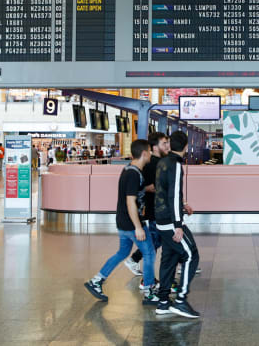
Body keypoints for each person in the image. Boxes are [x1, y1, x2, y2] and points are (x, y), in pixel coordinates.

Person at [84, 139, 158, 305]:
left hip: (123, 222)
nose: (151, 155)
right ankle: (149, 292)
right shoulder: (133, 173)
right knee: (149, 253)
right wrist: (138, 227)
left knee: (123, 253)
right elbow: (130, 201)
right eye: (150, 152)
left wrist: (146, 188)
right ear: (145, 153)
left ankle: (96, 281)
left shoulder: (129, 170)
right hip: (132, 223)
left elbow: (132, 191)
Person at [154, 131, 201, 318]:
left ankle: (163, 301)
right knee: (191, 254)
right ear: (186, 147)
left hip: (160, 218)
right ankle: (181, 300)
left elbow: (165, 192)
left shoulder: (162, 162)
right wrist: (178, 224)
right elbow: (173, 195)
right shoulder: (175, 165)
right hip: (170, 221)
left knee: (170, 257)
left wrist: (182, 205)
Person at [126, 132, 170, 278]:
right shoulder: (152, 164)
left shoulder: (158, 162)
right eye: (164, 143)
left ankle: (136, 261)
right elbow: (141, 187)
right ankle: (146, 278)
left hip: (157, 209)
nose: (167, 146)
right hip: (154, 209)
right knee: (155, 241)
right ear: (154, 147)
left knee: (156, 240)